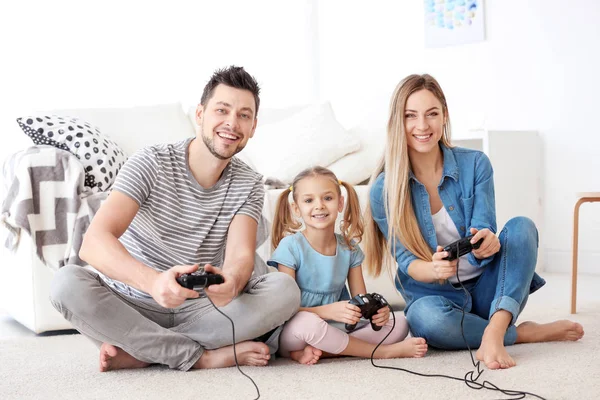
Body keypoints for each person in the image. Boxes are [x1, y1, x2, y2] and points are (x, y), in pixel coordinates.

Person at [49, 66, 300, 372]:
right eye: (222, 110)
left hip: (204, 310)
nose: (232, 123)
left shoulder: (248, 183)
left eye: (244, 115)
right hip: (134, 304)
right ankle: (201, 356)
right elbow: (94, 244)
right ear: (200, 114)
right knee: (65, 284)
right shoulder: (150, 162)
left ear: (253, 127)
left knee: (284, 291)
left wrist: (232, 282)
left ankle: (147, 351)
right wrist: (153, 283)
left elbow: (241, 255)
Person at [362, 73, 584, 370]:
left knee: (522, 227)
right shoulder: (383, 189)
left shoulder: (475, 163)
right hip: (435, 297)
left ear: (444, 116)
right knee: (426, 320)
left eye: (432, 114)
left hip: (487, 287)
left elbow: (484, 227)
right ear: (397, 123)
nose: (422, 126)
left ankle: (495, 330)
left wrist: (485, 245)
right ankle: (520, 333)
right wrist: (433, 268)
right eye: (410, 116)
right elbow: (404, 259)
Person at [268, 166, 427, 365]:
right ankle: (381, 353)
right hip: (296, 329)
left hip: (336, 328)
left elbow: (360, 301)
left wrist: (377, 313)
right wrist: (327, 311)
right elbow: (285, 309)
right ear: (296, 208)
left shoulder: (349, 248)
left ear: (340, 202)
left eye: (327, 198)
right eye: (309, 200)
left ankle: (324, 351)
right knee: (309, 325)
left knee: (399, 323)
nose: (319, 206)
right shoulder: (290, 247)